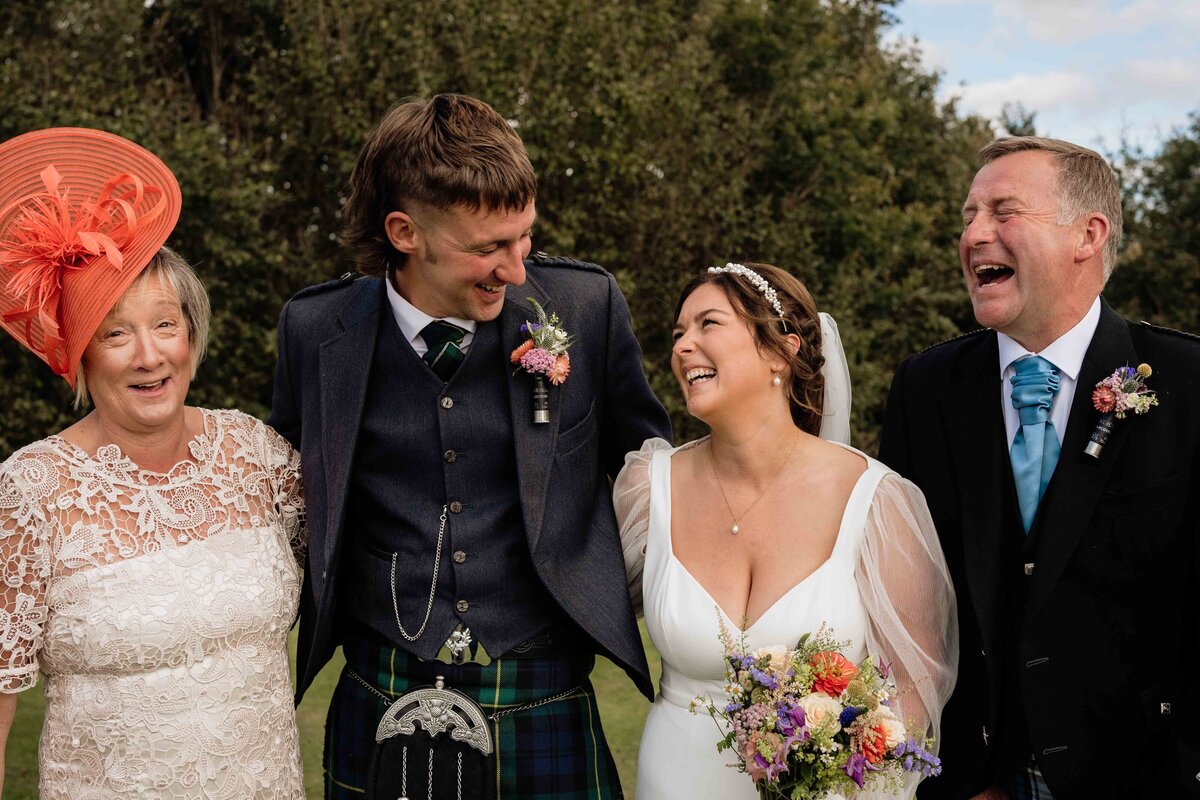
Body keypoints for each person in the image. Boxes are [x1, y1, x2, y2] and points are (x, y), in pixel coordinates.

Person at [268, 93, 671, 799]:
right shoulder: (315, 329)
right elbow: (286, 493)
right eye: (488, 247)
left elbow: (656, 470)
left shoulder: (583, 306)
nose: (516, 268)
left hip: (542, 685)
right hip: (381, 682)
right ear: (404, 232)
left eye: (523, 237)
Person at [880, 136, 1200, 799]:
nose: (973, 235)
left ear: (1088, 234)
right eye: (968, 216)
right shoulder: (925, 389)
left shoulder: (1189, 383)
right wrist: (958, 777)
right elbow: (905, 605)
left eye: (1003, 210)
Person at [0, 128, 306, 798]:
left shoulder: (256, 453)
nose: (148, 355)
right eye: (115, 333)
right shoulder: (30, 489)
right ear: (80, 355)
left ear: (192, 336)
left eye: (165, 325)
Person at [614, 262, 958, 799]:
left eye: (709, 325)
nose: (683, 347)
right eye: (678, 333)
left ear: (781, 351)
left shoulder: (876, 500)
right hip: (674, 778)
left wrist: (854, 779)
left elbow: (915, 687)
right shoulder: (647, 489)